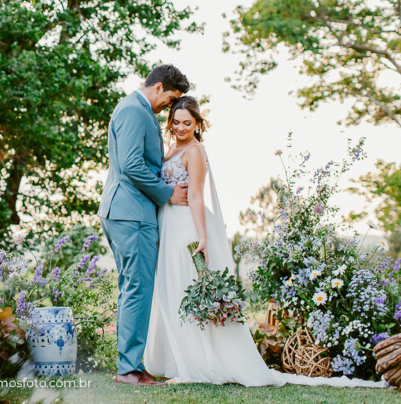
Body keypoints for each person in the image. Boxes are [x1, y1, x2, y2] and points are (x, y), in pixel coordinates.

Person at [143, 95, 385, 388]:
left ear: (198, 123)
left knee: (183, 288)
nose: (181, 128)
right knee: (171, 290)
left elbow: (195, 195)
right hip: (168, 226)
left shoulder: (194, 151)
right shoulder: (173, 147)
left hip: (186, 228)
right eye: (176, 122)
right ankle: (176, 359)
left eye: (187, 123)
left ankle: (198, 363)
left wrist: (202, 238)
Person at [97, 63, 190, 386]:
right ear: (159, 87)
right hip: (130, 212)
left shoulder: (138, 110)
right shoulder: (134, 111)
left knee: (134, 288)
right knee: (137, 288)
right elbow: (132, 164)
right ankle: (129, 370)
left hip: (130, 211)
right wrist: (168, 194)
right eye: (172, 98)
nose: (171, 106)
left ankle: (131, 364)